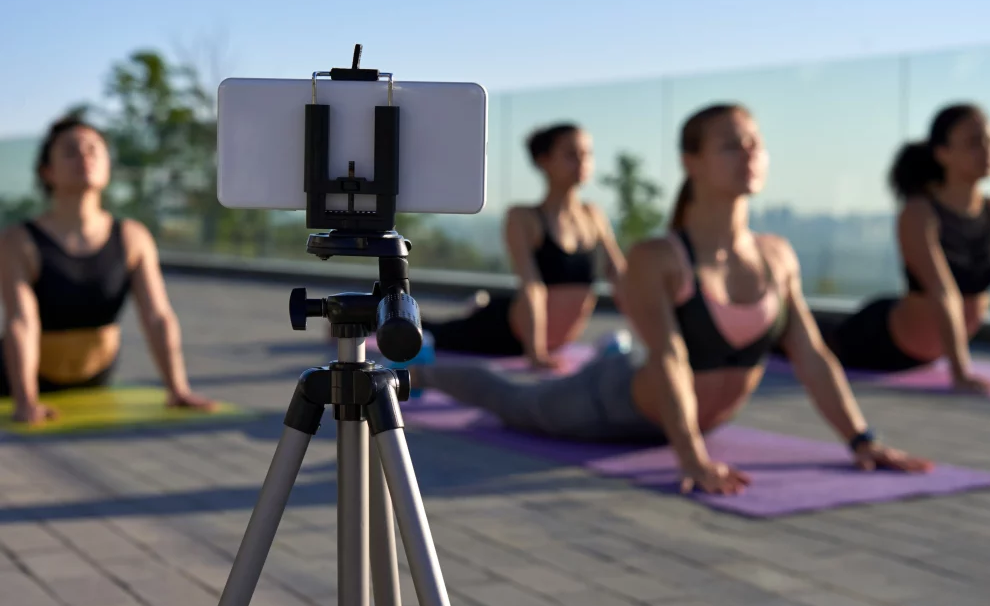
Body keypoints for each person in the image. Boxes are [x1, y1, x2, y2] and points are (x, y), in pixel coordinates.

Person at [387, 104, 933, 495]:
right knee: (510, 400)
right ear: (690, 162)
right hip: (610, 407)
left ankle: (609, 354)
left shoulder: (779, 255)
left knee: (610, 357)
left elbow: (813, 358)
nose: (748, 152)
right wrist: (693, 459)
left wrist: (864, 439)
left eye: (755, 143)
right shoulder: (663, 256)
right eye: (729, 143)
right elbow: (671, 358)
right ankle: (421, 371)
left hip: (686, 415)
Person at [0, 115, 215, 424]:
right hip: (14, 386)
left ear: (108, 167)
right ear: (47, 171)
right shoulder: (18, 241)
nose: (84, 157)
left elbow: (157, 317)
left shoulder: (132, 237)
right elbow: (21, 323)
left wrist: (177, 389)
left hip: (94, 381)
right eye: (71, 151)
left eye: (93, 150)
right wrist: (25, 401)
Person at [824, 104, 990, 394]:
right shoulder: (920, 213)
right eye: (973, 142)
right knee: (792, 342)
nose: (987, 150)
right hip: (881, 340)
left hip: (928, 353)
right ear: (942, 153)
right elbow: (943, 293)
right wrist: (960, 372)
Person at [419, 123, 627, 368]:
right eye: (571, 154)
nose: (582, 162)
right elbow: (532, 287)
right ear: (544, 161)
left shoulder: (594, 215)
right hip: (504, 332)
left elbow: (622, 279)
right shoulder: (523, 218)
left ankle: (477, 305)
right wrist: (535, 353)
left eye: (587, 154)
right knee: (427, 331)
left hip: (555, 343)